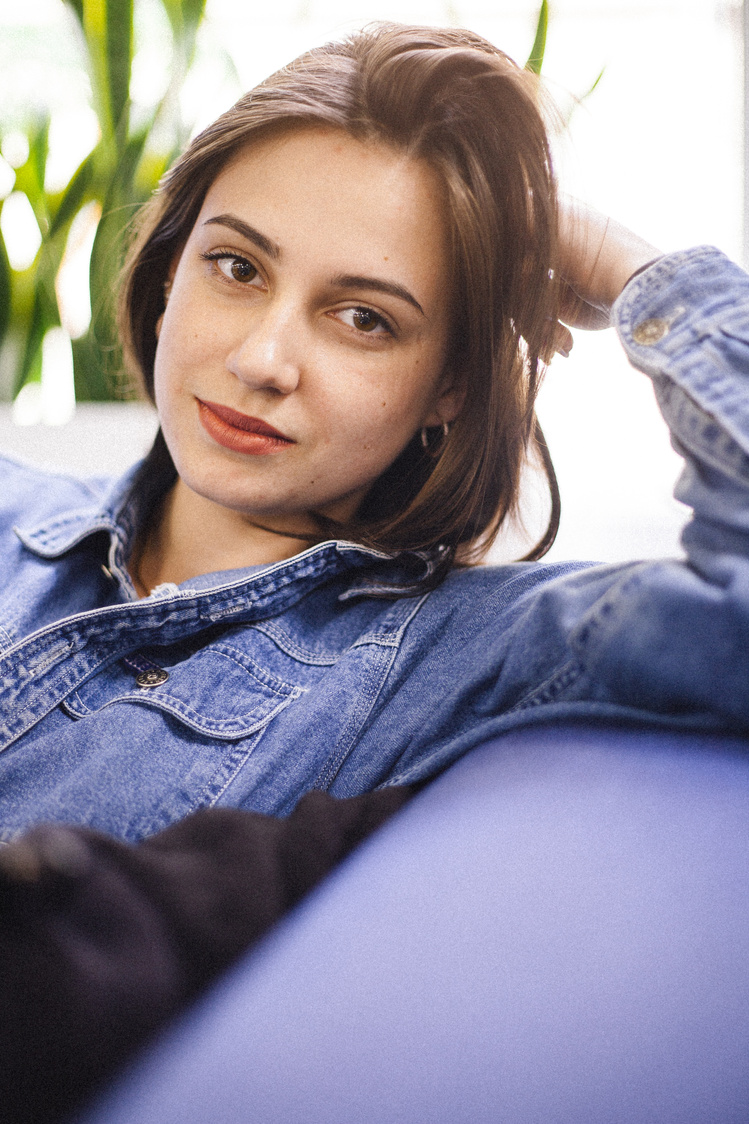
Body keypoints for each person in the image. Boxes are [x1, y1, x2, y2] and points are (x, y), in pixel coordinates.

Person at [0, 19, 748, 1123]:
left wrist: (626, 266)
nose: (261, 359)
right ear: (168, 272)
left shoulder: (463, 652)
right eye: (237, 265)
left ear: (450, 382)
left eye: (363, 317)